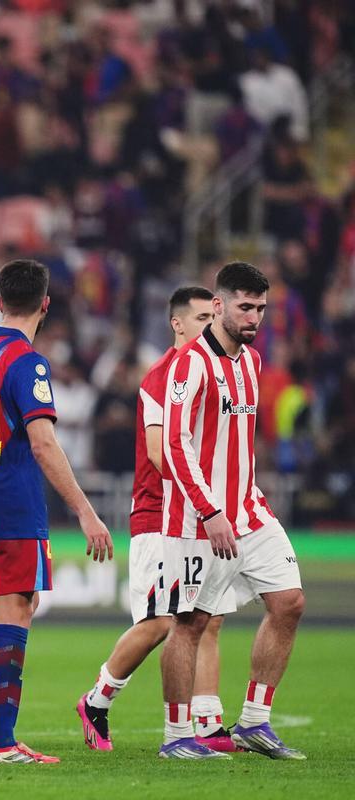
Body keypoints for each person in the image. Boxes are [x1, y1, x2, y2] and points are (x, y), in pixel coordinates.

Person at [0, 259, 113, 765]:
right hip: (13, 503)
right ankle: (1, 741)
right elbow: (42, 443)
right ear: (45, 304)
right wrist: (85, 511)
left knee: (18, 603)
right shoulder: (28, 362)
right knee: (17, 610)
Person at [77, 287, 238, 752]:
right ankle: (96, 701)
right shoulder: (163, 376)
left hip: (202, 516)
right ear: (177, 323)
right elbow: (158, 451)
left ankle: (207, 723)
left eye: (215, 316)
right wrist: (204, 498)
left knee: (208, 618)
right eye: (204, 317)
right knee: (162, 622)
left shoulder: (217, 370)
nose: (213, 324)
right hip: (160, 515)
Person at [158, 262, 306, 760]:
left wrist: (238, 500)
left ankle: (254, 722)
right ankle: (177, 735)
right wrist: (209, 510)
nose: (254, 317)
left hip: (249, 510)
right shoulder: (190, 365)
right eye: (245, 306)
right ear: (218, 306)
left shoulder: (252, 362)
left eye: (261, 308)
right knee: (190, 623)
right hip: (199, 521)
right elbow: (176, 446)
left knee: (289, 603)